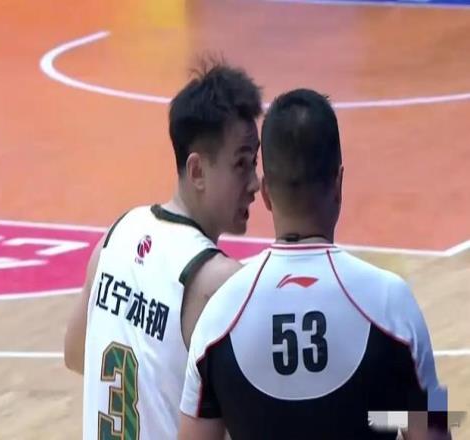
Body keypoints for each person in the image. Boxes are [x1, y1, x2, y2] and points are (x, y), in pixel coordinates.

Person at [179, 89, 448, 440]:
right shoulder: (393, 303)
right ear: (338, 183)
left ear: (266, 193)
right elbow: (434, 430)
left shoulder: (218, 317)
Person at [63, 60, 262, 439]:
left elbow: (76, 353)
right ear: (197, 170)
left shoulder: (117, 234)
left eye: (254, 162)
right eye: (241, 164)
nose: (254, 182)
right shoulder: (219, 281)